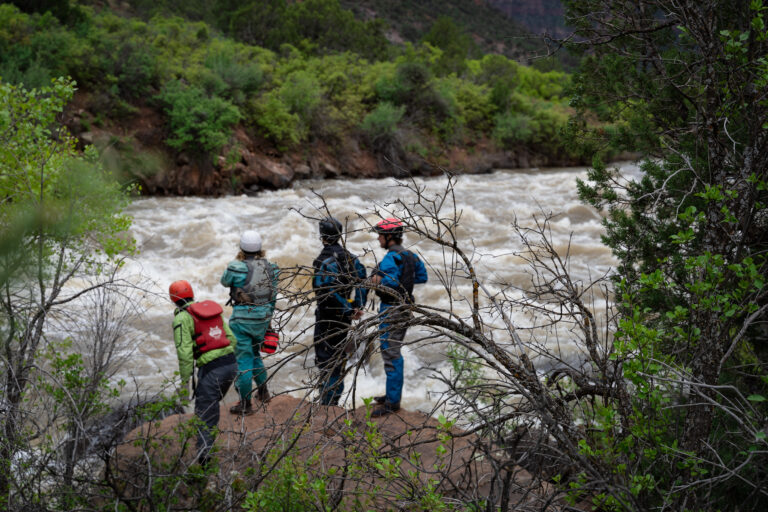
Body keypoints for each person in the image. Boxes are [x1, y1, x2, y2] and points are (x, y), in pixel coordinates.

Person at [169, 280, 237, 466]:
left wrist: (185, 382)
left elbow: (184, 353)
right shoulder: (208, 310)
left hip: (212, 369)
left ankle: (204, 459)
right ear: (191, 294)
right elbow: (232, 339)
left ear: (173, 300)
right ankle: (207, 447)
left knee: (204, 412)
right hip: (231, 364)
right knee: (210, 404)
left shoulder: (181, 318)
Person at [368, 218, 428, 417]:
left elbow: (390, 282)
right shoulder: (410, 255)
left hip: (391, 309)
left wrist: (376, 281)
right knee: (392, 351)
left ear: (389, 237)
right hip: (404, 308)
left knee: (390, 353)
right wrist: (405, 279)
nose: (378, 239)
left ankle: (392, 403)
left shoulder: (390, 258)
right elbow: (422, 277)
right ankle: (391, 395)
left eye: (380, 235)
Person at [220, 230, 279, 415]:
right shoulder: (272, 268)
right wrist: (268, 319)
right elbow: (273, 296)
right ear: (261, 249)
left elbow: (224, 281)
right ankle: (263, 392)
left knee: (243, 361)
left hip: (242, 321)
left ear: (241, 248)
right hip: (262, 319)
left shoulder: (235, 267)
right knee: (255, 354)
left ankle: (245, 405)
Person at [312, 217, 368, 406]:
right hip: (345, 318)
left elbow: (324, 291)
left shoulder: (323, 261)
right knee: (339, 358)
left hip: (327, 317)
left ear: (322, 236)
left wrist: (347, 308)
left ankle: (327, 403)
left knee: (326, 360)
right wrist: (357, 306)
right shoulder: (351, 258)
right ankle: (334, 401)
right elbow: (362, 280)